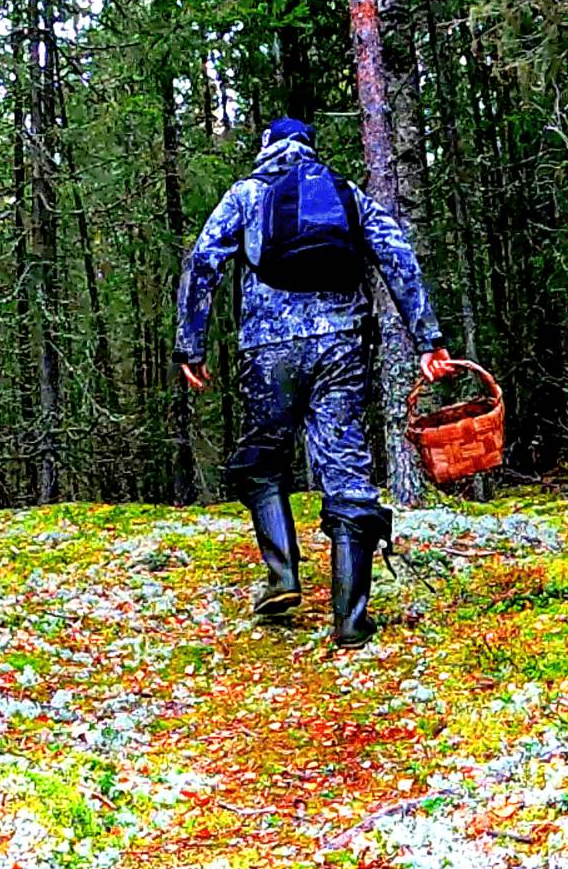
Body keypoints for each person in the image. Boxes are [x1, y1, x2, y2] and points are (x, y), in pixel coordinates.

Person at [173, 116, 455, 648]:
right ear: (308, 148)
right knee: (346, 468)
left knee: (262, 460)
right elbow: (398, 257)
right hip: (342, 345)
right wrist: (428, 340)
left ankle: (283, 576)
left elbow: (204, 262)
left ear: (266, 148)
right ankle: (350, 619)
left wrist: (191, 343)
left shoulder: (245, 196)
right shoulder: (346, 194)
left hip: (268, 348)